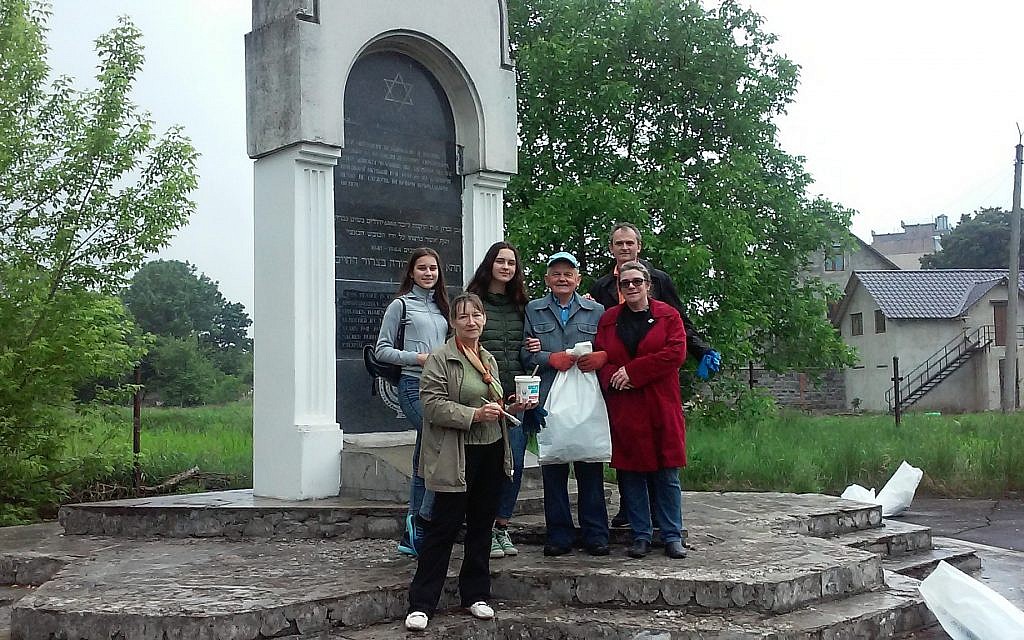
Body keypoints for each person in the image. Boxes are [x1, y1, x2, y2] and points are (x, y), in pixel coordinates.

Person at [404, 293, 537, 632]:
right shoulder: (440, 359)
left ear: (484, 320)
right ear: (453, 322)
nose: (471, 321)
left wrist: (511, 406)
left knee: (481, 526)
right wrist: (473, 415)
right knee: (442, 528)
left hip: (491, 450)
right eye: (463, 316)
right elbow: (431, 405)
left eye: (476, 315)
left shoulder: (488, 359)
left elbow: (492, 401)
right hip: (456, 455)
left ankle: (475, 594)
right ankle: (422, 603)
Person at [588, 222, 720, 527]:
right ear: (611, 249)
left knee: (663, 456)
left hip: (655, 381)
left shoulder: (659, 280)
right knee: (630, 454)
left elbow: (679, 322)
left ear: (639, 247)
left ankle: (666, 523)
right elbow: (595, 329)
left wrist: (700, 349)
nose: (624, 248)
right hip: (620, 383)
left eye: (629, 243)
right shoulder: (601, 287)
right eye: (618, 244)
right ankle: (633, 516)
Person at [593, 261, 688, 559]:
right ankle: (641, 535)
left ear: (648, 284)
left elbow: (675, 353)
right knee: (631, 474)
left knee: (666, 474)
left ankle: (672, 535)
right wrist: (613, 376)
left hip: (660, 404)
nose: (631, 287)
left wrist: (633, 372)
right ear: (619, 288)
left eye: (637, 282)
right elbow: (601, 358)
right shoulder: (609, 320)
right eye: (625, 283)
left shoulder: (668, 316)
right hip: (626, 407)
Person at [522, 251, 610, 557]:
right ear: (547, 279)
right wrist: (548, 357)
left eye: (568, 273)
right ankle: (559, 535)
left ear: (578, 279)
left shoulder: (595, 310)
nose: (562, 278)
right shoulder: (533, 310)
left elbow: (607, 348)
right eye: (556, 273)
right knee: (554, 466)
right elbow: (526, 353)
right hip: (549, 398)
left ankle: (596, 534)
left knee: (590, 465)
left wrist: (602, 357)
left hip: (586, 399)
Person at [466, 242, 541, 560]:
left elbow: (534, 346)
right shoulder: (474, 302)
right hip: (483, 397)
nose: (506, 267)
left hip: (516, 398)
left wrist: (537, 346)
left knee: (516, 465)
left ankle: (501, 527)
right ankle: (479, 528)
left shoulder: (523, 305)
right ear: (490, 264)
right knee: (484, 467)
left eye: (512, 262)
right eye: (500, 261)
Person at [375, 247, 451, 557]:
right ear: (411, 272)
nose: (429, 273)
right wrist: (417, 358)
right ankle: (423, 519)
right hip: (412, 385)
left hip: (440, 389)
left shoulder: (443, 308)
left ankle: (413, 533)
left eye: (433, 268)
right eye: (422, 268)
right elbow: (381, 350)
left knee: (425, 458)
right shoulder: (400, 306)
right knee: (443, 440)